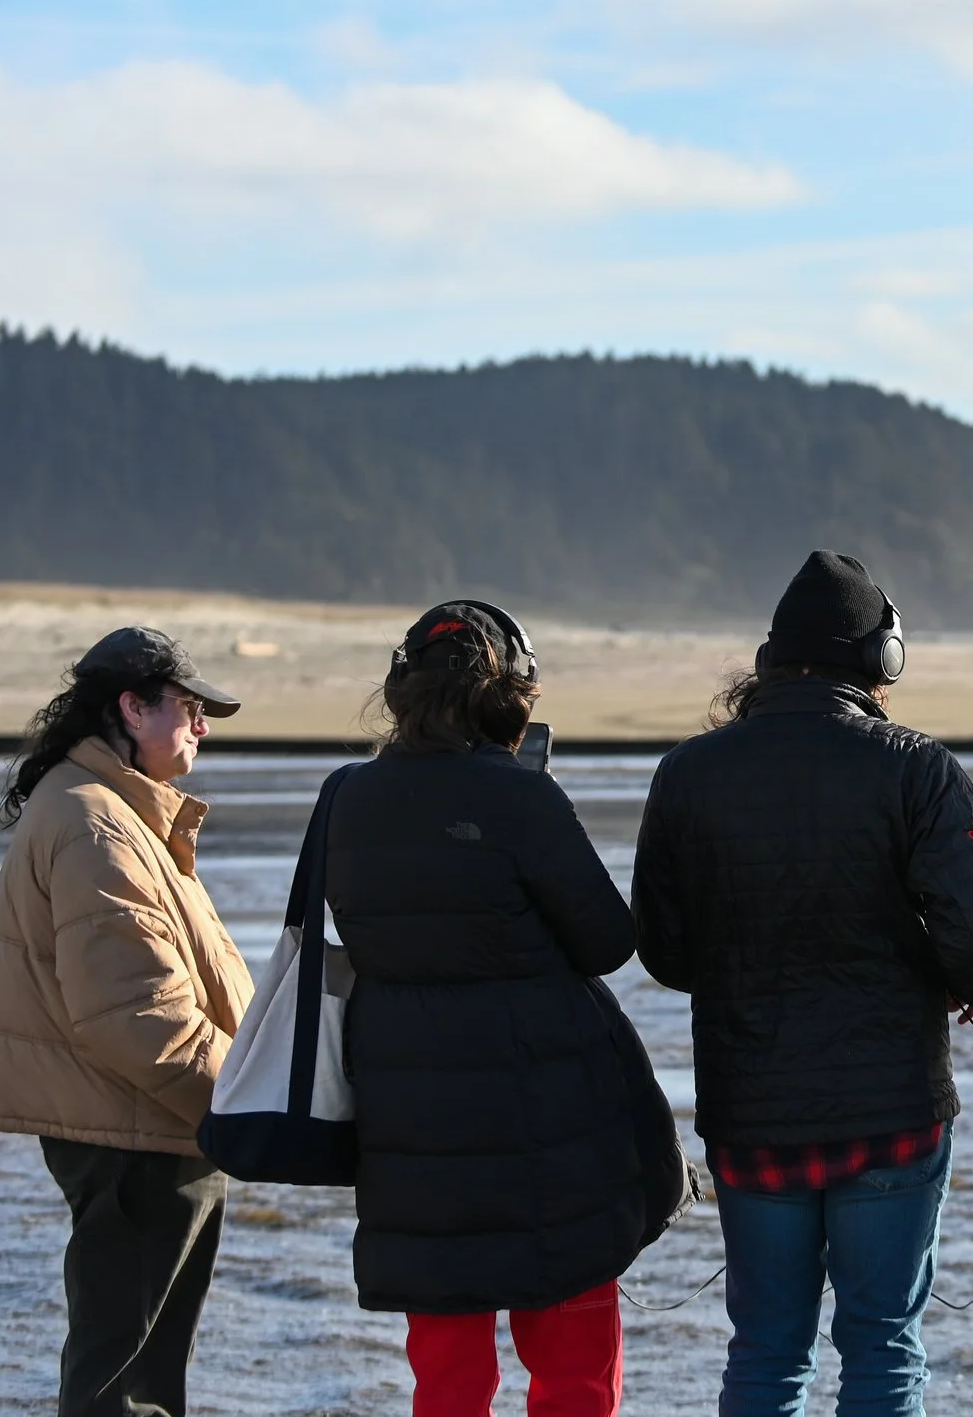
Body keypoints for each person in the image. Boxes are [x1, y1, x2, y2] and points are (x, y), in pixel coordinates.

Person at [632, 550, 973, 1417]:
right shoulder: (917, 766)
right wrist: (951, 973)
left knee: (767, 1353)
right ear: (882, 660)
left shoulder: (687, 773)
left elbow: (664, 951)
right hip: (892, 1115)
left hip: (751, 1112)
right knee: (883, 1346)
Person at [325, 601, 680, 1417]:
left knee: (446, 1379)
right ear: (510, 695)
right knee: (574, 1370)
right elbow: (605, 940)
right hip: (544, 1124)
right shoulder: (519, 799)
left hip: (411, 1127)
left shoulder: (347, 799)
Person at [0, 627, 254, 1417]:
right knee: (124, 1381)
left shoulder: (113, 811)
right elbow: (136, 1015)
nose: (202, 725)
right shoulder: (97, 824)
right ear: (131, 706)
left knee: (136, 1366)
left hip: (140, 1121)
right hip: (135, 1127)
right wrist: (248, 1104)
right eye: (190, 707)